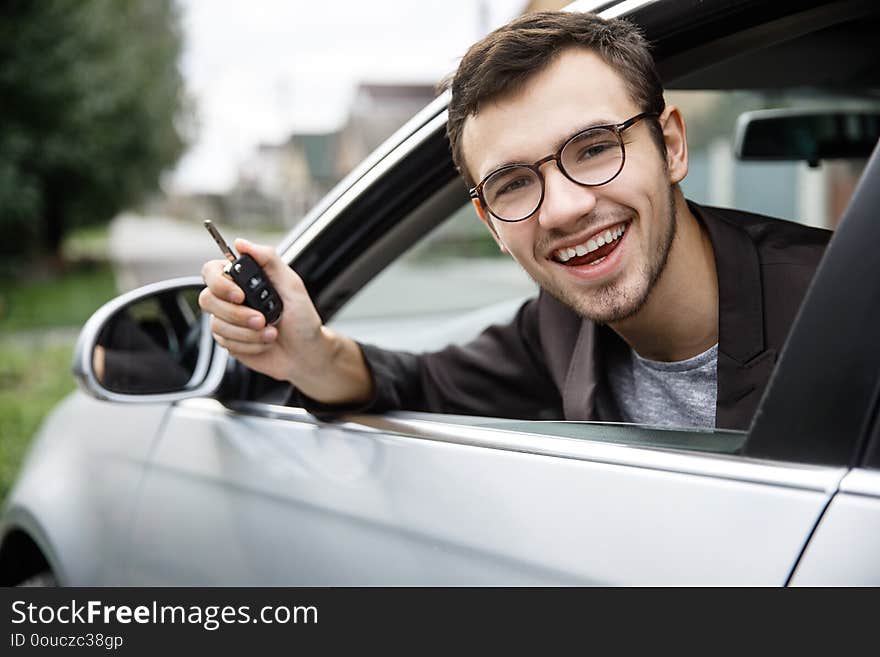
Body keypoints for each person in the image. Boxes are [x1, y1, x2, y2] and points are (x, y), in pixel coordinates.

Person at [199, 11, 830, 430]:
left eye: (595, 148)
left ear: (670, 147)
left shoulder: (844, 301)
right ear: (490, 222)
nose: (563, 208)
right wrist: (307, 353)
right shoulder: (557, 329)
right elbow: (421, 384)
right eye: (514, 183)